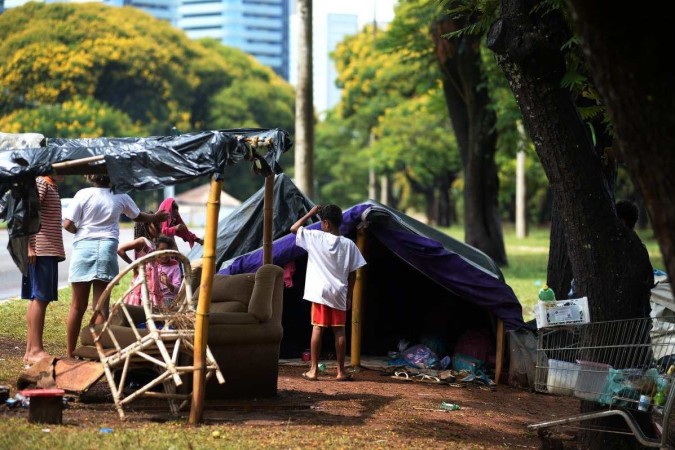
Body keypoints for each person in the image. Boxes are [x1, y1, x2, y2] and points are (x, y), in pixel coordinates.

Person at [62, 174, 169, 358]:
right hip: (106, 249)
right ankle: (96, 351)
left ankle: (70, 354)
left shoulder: (82, 194)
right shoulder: (121, 196)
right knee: (100, 307)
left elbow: (67, 224)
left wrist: (80, 231)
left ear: (90, 177)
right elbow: (138, 216)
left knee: (76, 307)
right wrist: (155, 217)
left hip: (83, 249)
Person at [290, 204, 367, 382]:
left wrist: (310, 213)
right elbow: (354, 274)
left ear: (325, 224)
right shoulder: (349, 245)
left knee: (317, 328)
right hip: (339, 292)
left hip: (320, 292)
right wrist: (348, 296)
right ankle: (341, 372)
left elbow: (294, 228)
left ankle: (313, 371)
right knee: (339, 331)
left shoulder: (315, 237)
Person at [21, 175, 66, 364]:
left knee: (37, 299)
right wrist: (28, 246)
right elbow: (26, 212)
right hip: (41, 249)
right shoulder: (42, 183)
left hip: (45, 249)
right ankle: (36, 350)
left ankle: (30, 351)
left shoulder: (50, 185)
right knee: (40, 298)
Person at [117, 217, 162, 307]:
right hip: (142, 278)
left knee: (150, 304)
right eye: (156, 225)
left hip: (152, 280)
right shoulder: (142, 241)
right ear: (146, 225)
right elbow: (120, 250)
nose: (159, 227)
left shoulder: (153, 243)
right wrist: (133, 265)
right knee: (141, 302)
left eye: (159, 225)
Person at [154, 235, 183, 307]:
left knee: (165, 307)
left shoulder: (174, 267)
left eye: (167, 250)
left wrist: (168, 284)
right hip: (153, 298)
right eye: (161, 250)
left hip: (168, 299)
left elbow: (177, 288)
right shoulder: (152, 264)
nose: (165, 254)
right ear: (155, 250)